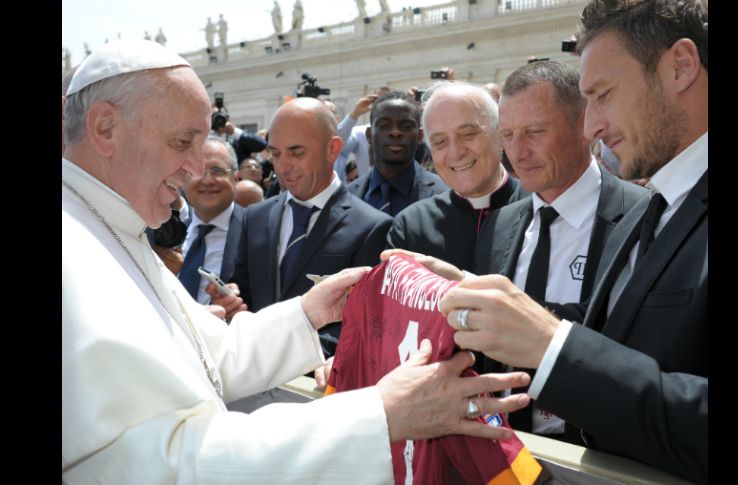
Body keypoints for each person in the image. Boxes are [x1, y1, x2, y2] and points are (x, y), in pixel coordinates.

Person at [62, 38, 530, 483]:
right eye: (183, 142)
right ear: (105, 128)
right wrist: (378, 414)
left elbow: (214, 356)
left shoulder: (111, 226)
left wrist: (307, 312)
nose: (196, 168)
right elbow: (156, 470)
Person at [431, 0, 708, 481]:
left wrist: (552, 346)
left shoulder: (638, 205)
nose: (592, 125)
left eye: (603, 95)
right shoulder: (655, 209)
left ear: (680, 66)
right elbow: (622, 344)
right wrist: (490, 312)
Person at [474, 60, 647, 442]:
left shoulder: (644, 216)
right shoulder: (499, 224)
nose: (518, 152)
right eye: (508, 135)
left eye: (535, 132)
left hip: (599, 451)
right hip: (505, 448)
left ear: (583, 124)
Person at [222, 97, 393, 357]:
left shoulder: (371, 227)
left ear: (333, 149)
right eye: (275, 154)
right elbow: (243, 292)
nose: (283, 167)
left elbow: (361, 326)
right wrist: (231, 301)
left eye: (296, 152)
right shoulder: (255, 217)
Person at [387, 82, 527, 272]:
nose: (455, 153)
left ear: (500, 132)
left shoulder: (542, 208)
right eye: (440, 142)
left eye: (467, 134)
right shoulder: (411, 227)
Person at [347, 91, 447, 216]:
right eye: (384, 125)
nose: (395, 132)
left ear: (420, 136)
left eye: (406, 126)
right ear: (369, 135)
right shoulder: (347, 197)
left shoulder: (445, 195)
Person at [177, 136, 245, 305]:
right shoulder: (170, 236)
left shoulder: (255, 231)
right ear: (183, 179)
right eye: (197, 170)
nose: (207, 180)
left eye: (217, 170)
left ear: (236, 179)